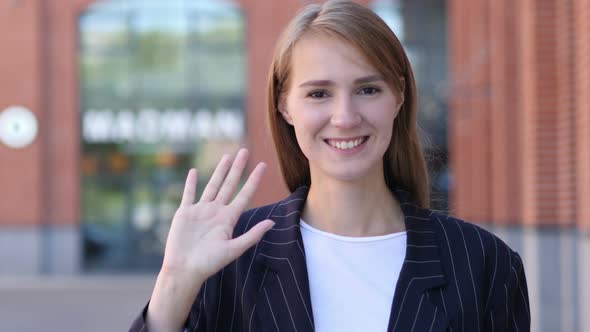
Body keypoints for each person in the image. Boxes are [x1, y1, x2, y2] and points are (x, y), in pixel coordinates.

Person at [130, 1, 530, 331]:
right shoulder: (229, 256)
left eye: (368, 89)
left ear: (399, 96)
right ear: (284, 106)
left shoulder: (483, 263)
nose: (344, 117)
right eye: (319, 93)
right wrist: (173, 286)